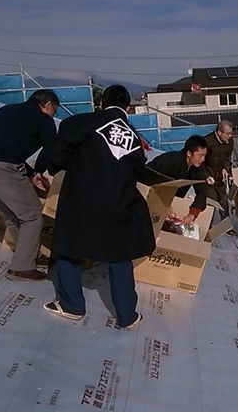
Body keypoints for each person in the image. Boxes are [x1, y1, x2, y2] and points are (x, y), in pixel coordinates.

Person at [43, 85, 155, 329]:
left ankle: (72, 306)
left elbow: (57, 156)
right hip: (119, 202)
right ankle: (127, 316)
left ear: (101, 104)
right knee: (119, 255)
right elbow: (139, 172)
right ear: (127, 108)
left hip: (81, 201)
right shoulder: (134, 138)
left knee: (68, 247)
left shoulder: (80, 123)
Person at [0, 89, 59, 281]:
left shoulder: (7, 110)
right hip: (2, 169)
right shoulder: (44, 120)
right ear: (48, 105)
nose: (54, 115)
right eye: (55, 110)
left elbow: (2, 145)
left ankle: (29, 256)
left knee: (12, 214)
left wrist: (29, 173)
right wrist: (40, 171)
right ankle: (21, 268)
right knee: (32, 215)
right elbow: (52, 148)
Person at [142, 135, 212, 224]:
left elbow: (202, 190)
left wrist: (193, 214)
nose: (203, 159)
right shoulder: (169, 161)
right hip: (148, 199)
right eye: (200, 155)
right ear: (189, 153)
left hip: (172, 202)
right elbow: (149, 181)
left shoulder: (198, 167)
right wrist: (163, 207)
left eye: (204, 156)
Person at [203, 120, 234, 218]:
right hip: (207, 177)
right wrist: (206, 176)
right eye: (228, 134)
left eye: (231, 133)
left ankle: (226, 226)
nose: (230, 136)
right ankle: (208, 227)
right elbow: (199, 162)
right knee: (211, 202)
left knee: (224, 202)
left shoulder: (230, 142)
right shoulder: (207, 142)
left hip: (220, 177)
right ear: (219, 132)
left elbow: (227, 157)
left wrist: (225, 168)